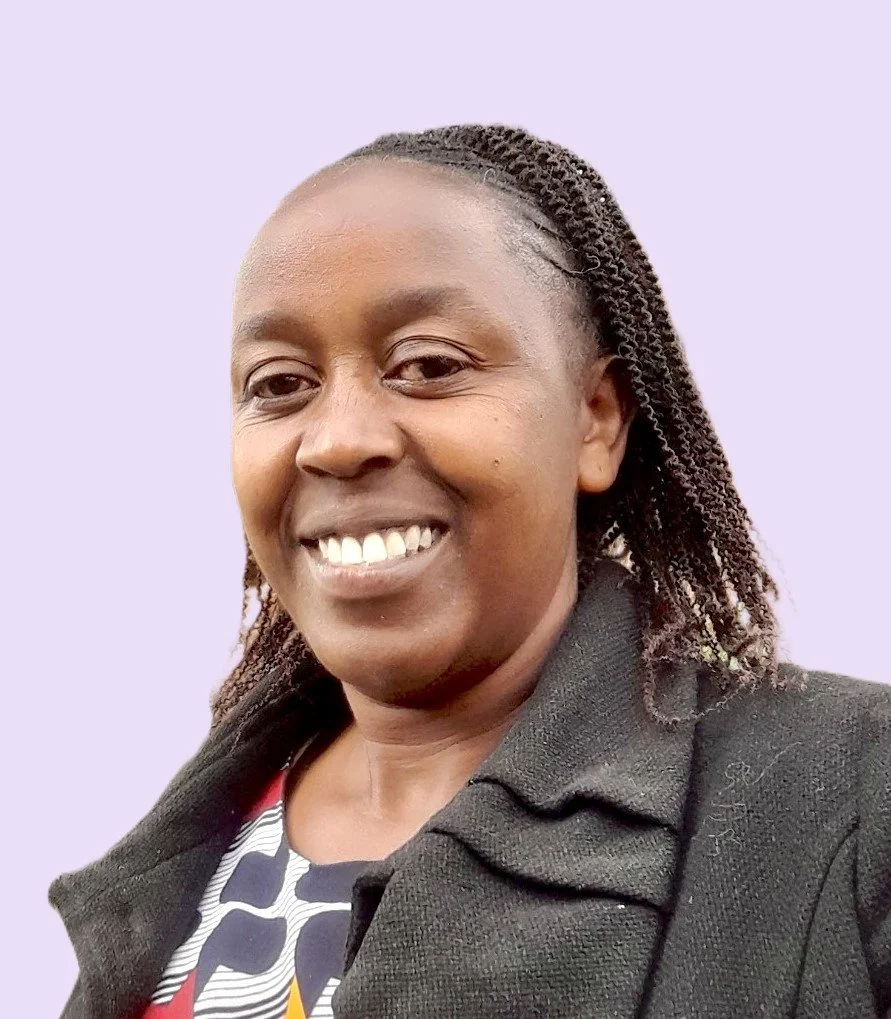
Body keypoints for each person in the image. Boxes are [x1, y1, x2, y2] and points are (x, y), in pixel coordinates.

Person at [50, 125, 890, 1019]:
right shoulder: (184, 855)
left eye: (427, 365)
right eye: (279, 383)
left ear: (596, 418)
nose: (336, 440)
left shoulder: (852, 797)